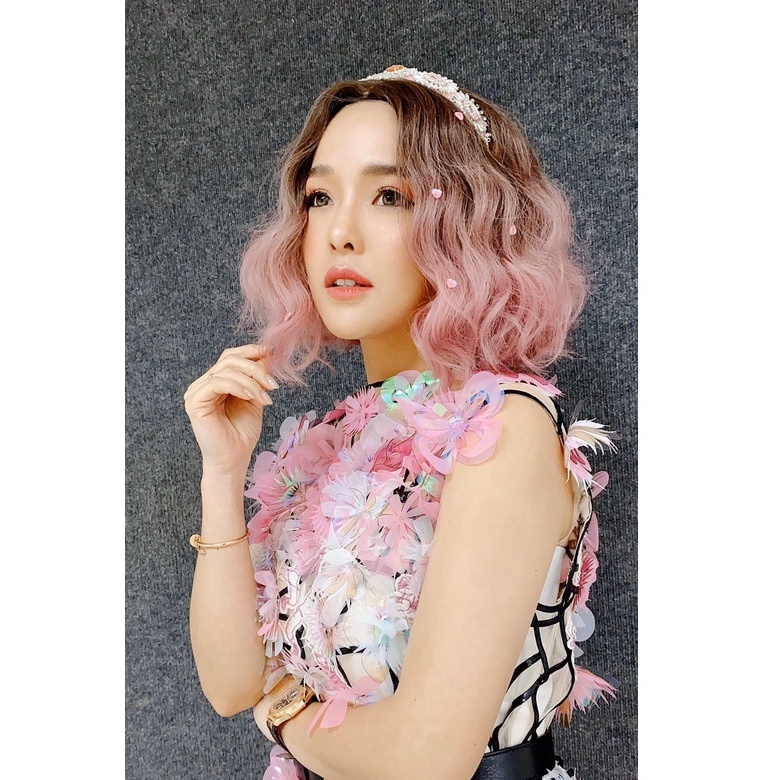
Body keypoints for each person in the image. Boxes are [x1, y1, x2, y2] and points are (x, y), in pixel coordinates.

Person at [184, 65, 616, 780]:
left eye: (390, 196)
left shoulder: (504, 429)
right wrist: (222, 473)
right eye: (320, 197)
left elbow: (423, 761)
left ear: (467, 223)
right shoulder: (331, 444)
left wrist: (284, 716)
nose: (340, 233)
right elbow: (231, 686)